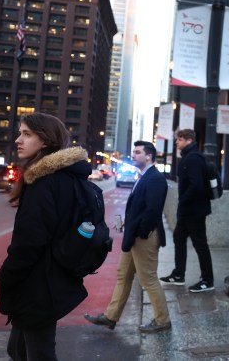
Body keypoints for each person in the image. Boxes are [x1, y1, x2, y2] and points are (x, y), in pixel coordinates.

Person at [0, 112, 92, 360]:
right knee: (19, 348)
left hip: (37, 282)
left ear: (47, 141)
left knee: (38, 352)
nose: (18, 139)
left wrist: (6, 276)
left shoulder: (42, 182)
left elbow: (29, 242)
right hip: (55, 276)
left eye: (27, 134)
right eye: (20, 133)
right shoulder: (69, 177)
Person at [85, 141, 171, 333]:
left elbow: (152, 211)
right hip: (134, 236)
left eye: (137, 152)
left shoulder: (155, 178)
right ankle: (110, 316)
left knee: (148, 279)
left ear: (149, 156)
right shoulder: (143, 177)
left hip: (144, 238)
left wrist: (140, 232)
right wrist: (127, 221)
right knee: (123, 276)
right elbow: (140, 208)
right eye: (133, 151)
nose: (133, 155)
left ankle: (163, 320)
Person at [160, 128, 214, 292]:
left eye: (180, 139)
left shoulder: (193, 159)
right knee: (179, 238)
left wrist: (183, 200)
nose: (177, 142)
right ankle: (178, 275)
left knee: (200, 244)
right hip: (188, 210)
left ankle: (207, 280)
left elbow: (196, 185)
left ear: (189, 140)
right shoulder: (189, 157)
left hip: (194, 210)